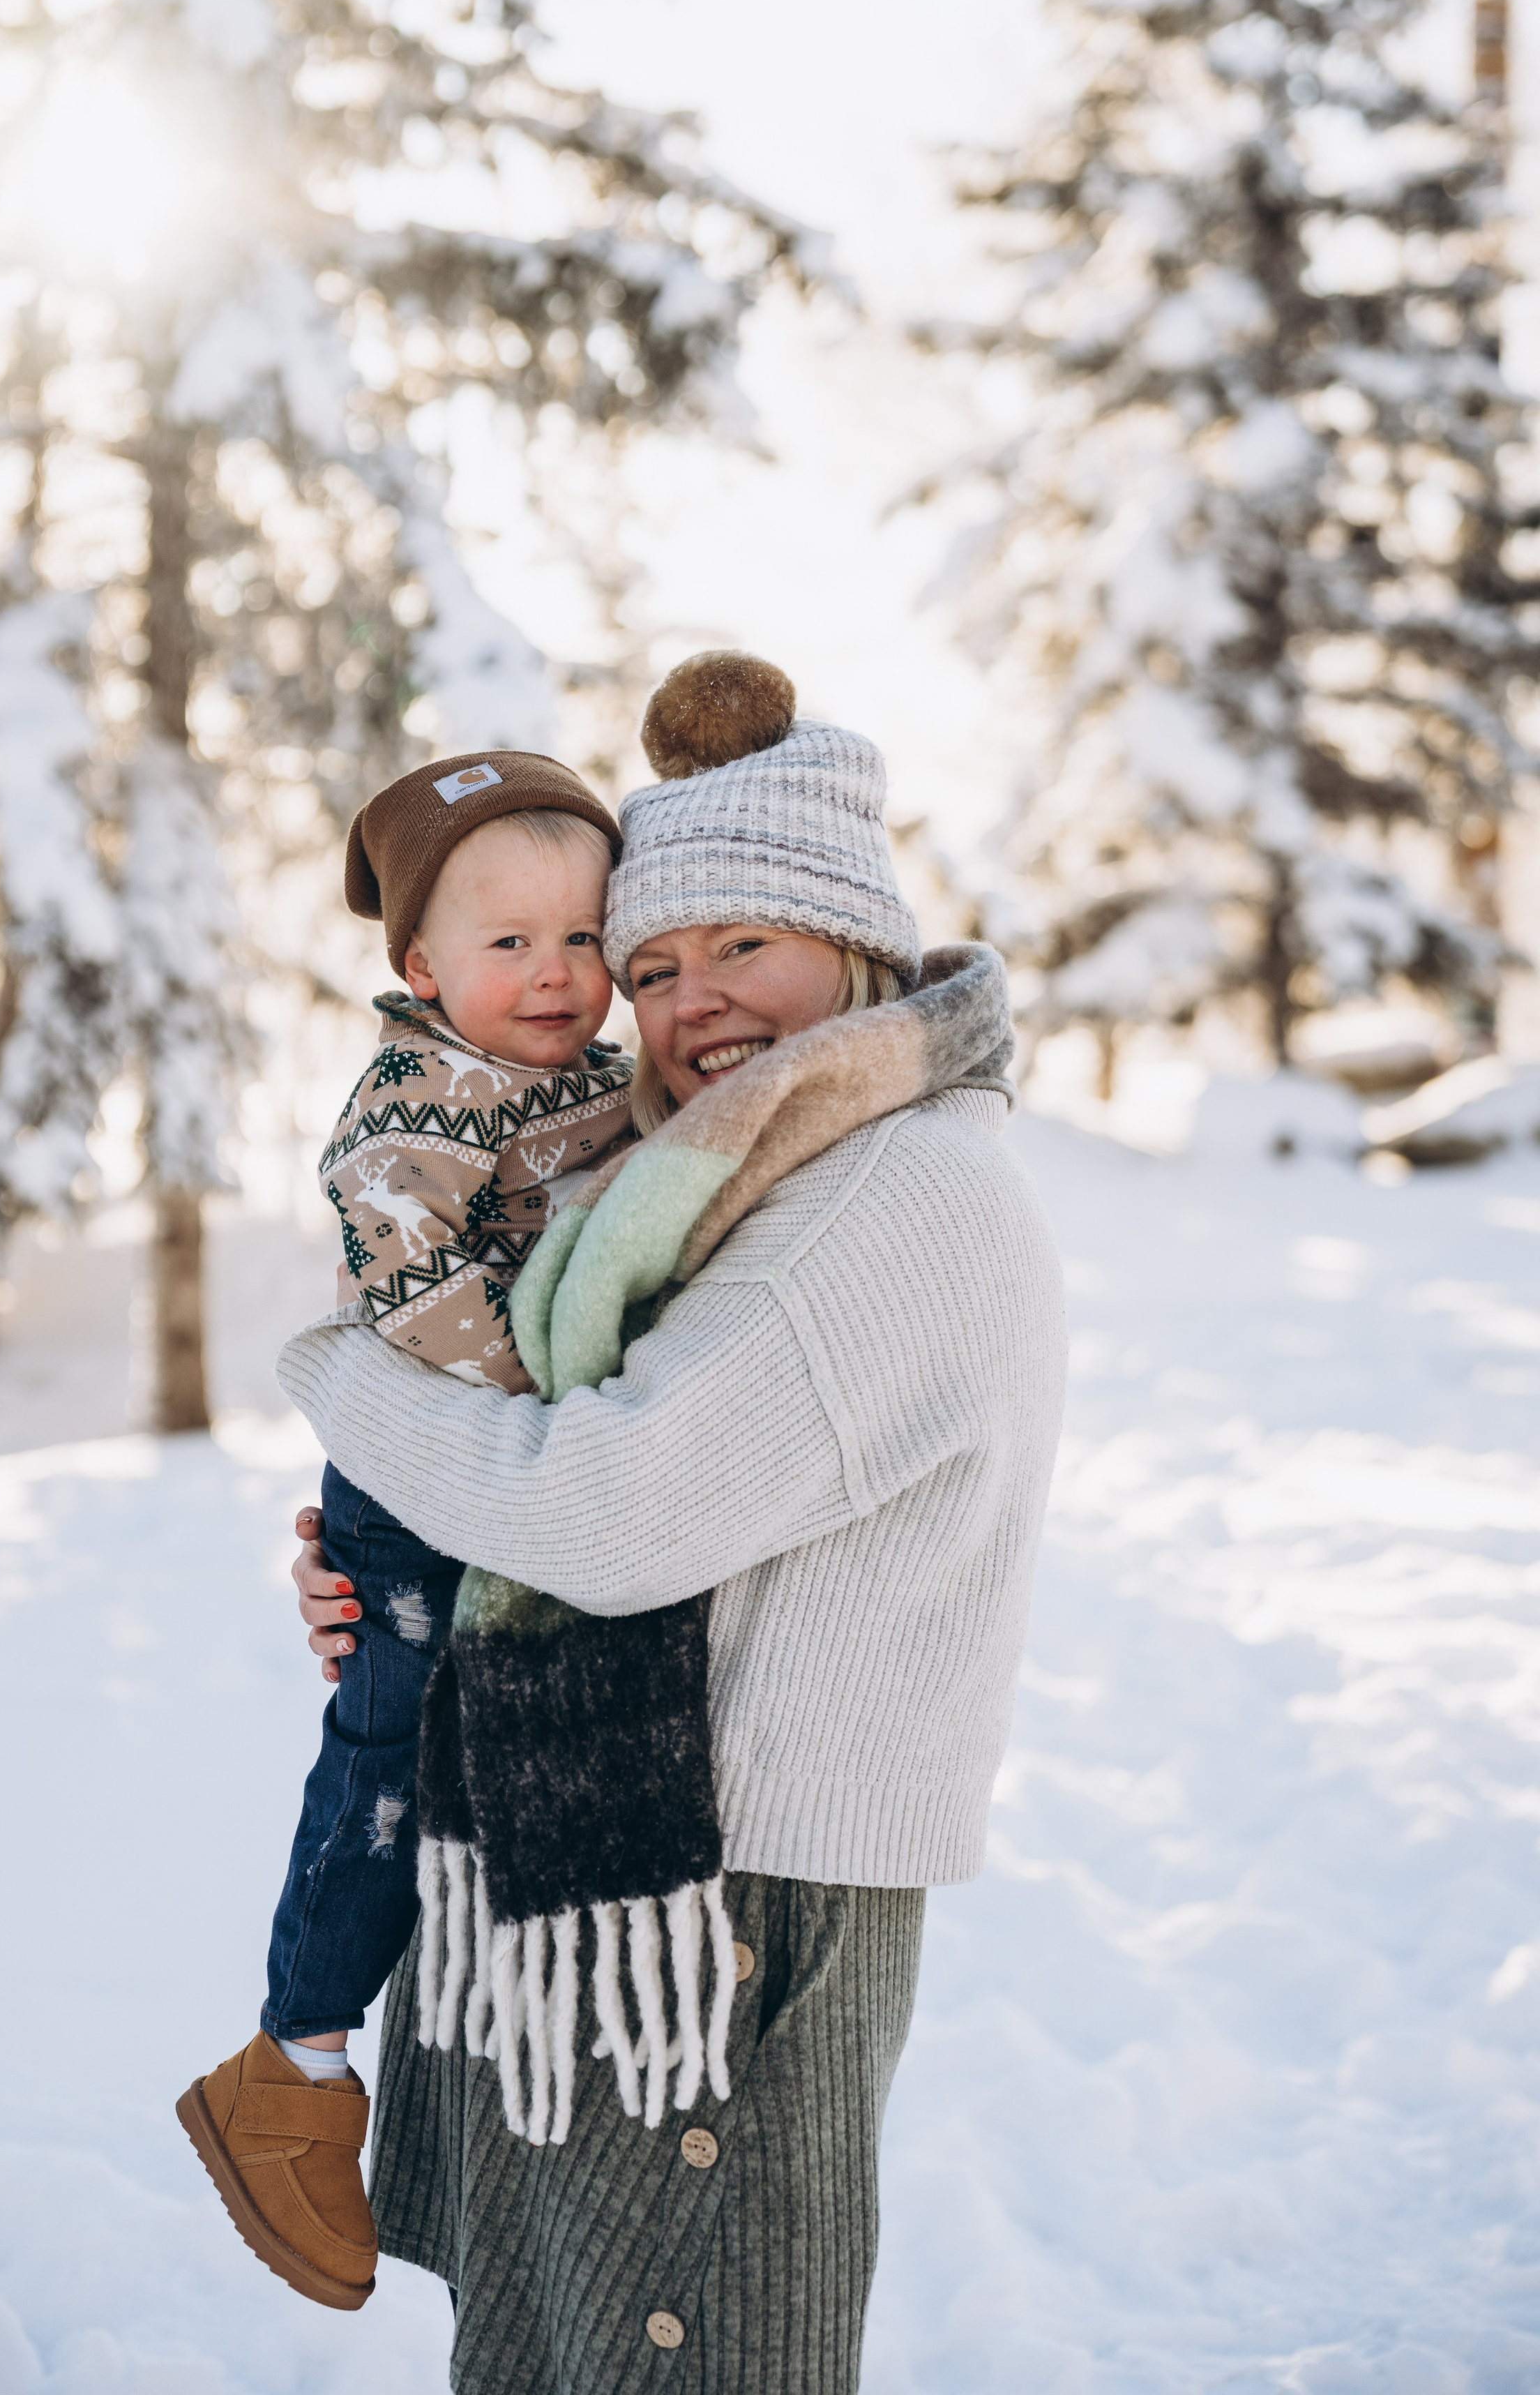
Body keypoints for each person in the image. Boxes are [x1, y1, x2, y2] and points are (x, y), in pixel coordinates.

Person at [275, 653, 1069, 2394]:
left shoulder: (886, 1189)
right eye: (650, 966)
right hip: (649, 1874)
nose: (689, 1001)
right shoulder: (737, 1163)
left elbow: (607, 1510)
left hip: (728, 1904)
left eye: (740, 947)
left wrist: (346, 1384)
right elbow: (564, 1456)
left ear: (848, 938)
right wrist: (400, 1568)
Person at [176, 749, 633, 2311]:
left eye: (583, 937)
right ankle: (292, 2063)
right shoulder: (408, 1114)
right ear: (421, 965)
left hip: (503, 1479)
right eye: (509, 945)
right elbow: (424, 1307)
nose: (558, 975)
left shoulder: (604, 1077)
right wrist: (548, 1410)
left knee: (460, 1769)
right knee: (384, 1753)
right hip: (430, 1468)